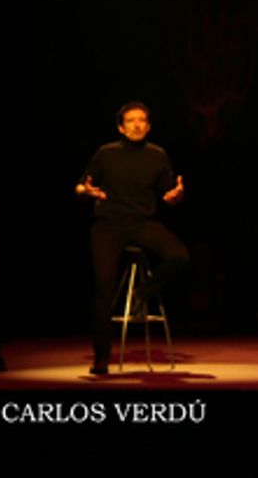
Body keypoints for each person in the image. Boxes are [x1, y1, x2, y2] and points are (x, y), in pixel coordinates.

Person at [77, 101, 189, 375]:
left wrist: (176, 196)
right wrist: (86, 192)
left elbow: (168, 193)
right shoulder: (106, 153)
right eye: (131, 121)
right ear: (121, 127)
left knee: (180, 256)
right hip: (108, 226)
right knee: (104, 289)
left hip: (141, 223)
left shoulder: (158, 155)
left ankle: (143, 293)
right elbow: (82, 186)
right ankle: (101, 358)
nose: (137, 125)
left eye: (142, 120)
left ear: (149, 126)